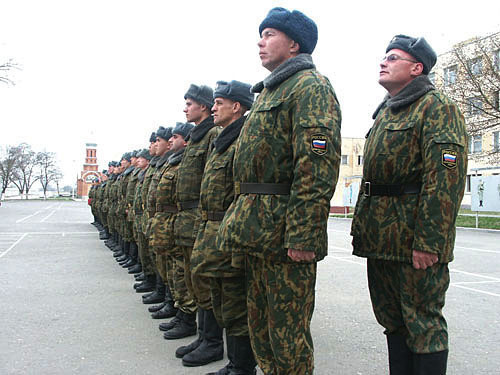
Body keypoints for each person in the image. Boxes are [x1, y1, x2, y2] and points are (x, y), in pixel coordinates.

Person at [217, 7, 341, 374]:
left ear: (294, 44)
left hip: (285, 235)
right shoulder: (272, 93)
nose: (260, 41)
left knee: (288, 338)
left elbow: (316, 168)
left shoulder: (311, 87)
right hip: (257, 232)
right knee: (261, 331)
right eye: (261, 33)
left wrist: (303, 235)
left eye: (270, 34)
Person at [350, 35, 468, 375]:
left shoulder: (437, 107)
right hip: (382, 241)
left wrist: (429, 243)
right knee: (393, 321)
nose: (383, 61)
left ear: (417, 68)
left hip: (415, 240)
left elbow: (445, 182)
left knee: (423, 325)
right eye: (384, 56)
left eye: (394, 57)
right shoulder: (385, 112)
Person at [191, 80, 257, 375]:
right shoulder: (223, 140)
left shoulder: (244, 138)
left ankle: (242, 367)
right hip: (213, 230)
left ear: (237, 107)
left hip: (231, 232)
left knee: (235, 301)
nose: (213, 108)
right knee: (218, 295)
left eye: (219, 103)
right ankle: (230, 360)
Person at [168, 84, 223, 367]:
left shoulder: (213, 133)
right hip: (189, 218)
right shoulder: (197, 137)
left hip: (200, 216)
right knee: (194, 279)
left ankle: (213, 341)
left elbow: (211, 179)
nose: (185, 108)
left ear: (203, 106)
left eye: (190, 103)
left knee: (204, 281)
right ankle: (204, 336)